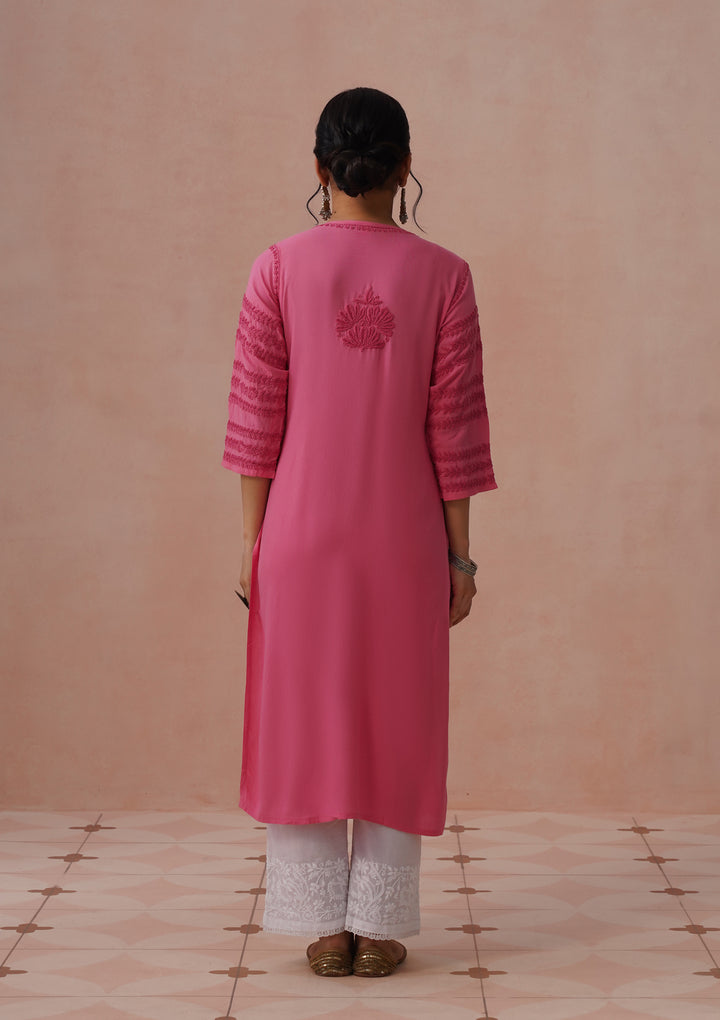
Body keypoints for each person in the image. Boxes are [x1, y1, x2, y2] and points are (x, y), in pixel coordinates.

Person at [221, 87, 497, 978]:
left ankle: (317, 925)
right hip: (404, 539)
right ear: (405, 166)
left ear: (319, 166)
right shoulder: (445, 275)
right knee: (395, 720)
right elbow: (454, 430)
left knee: (304, 718)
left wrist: (253, 545)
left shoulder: (276, 267)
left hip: (297, 535)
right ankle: (377, 927)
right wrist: (459, 556)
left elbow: (256, 422)